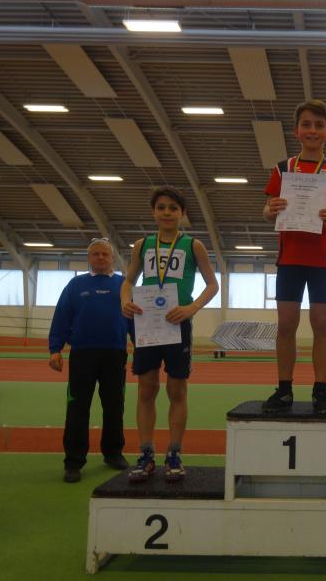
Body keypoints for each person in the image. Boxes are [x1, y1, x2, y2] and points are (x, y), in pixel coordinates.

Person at [121, 186, 218, 483]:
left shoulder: (193, 246)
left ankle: (174, 452)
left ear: (182, 213)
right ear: (153, 211)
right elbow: (128, 280)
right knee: (146, 388)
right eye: (161, 207)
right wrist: (124, 300)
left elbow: (212, 285)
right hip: (147, 323)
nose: (166, 213)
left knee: (177, 389)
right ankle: (146, 453)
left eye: (173, 208)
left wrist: (192, 308)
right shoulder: (142, 245)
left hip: (177, 323)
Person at [261, 99, 326, 414]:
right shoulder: (283, 169)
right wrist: (270, 209)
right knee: (286, 323)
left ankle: (320, 390)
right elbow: (267, 210)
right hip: (289, 259)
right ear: (296, 131)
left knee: (321, 323)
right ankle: (284, 388)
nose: (312, 130)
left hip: (322, 262)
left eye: (319, 125)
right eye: (306, 124)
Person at [48, 239, 129, 483]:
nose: (101, 258)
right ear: (89, 258)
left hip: (115, 354)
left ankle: (113, 453)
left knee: (114, 406)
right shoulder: (76, 285)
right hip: (82, 354)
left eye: (105, 254)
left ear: (112, 258)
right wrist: (55, 349)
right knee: (77, 407)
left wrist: (143, 348)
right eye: (96, 254)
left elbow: (136, 319)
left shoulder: (124, 285)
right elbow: (62, 316)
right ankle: (73, 461)